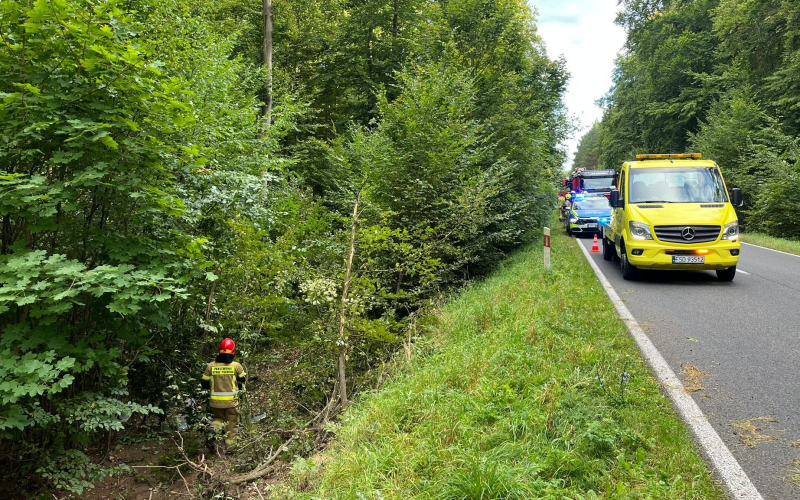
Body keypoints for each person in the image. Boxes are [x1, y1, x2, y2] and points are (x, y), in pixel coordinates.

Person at [201, 338, 247, 451]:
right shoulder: (236, 366)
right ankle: (230, 449)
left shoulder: (211, 366)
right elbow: (243, 380)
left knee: (219, 419)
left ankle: (212, 431)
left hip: (215, 403)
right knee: (232, 424)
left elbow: (204, 384)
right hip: (232, 403)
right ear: (233, 351)